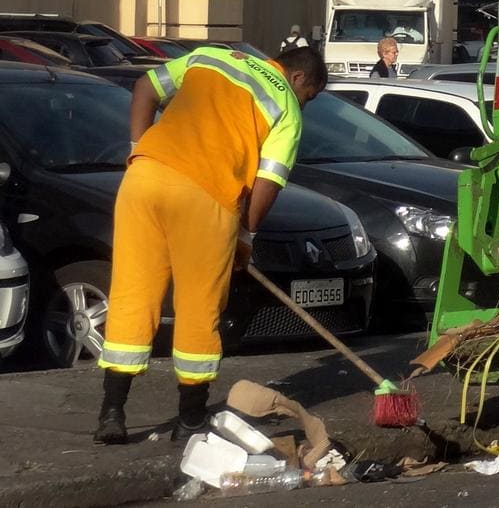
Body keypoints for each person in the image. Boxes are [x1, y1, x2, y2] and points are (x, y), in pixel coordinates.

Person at [94, 45, 326, 444]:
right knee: (199, 306)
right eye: (311, 96)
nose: (306, 104)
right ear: (299, 78)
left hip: (143, 180)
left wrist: (140, 151)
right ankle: (190, 419)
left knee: (132, 293)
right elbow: (267, 182)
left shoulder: (212, 56)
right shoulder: (286, 107)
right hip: (206, 197)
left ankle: (112, 414)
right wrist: (245, 236)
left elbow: (144, 88)